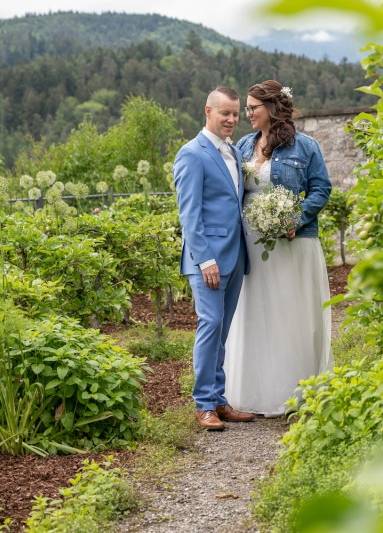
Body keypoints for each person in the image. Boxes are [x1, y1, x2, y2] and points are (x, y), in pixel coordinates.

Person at [224, 80, 334, 417]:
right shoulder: (243, 145)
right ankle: (255, 392)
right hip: (252, 243)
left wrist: (294, 219)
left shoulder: (305, 146)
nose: (247, 114)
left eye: (253, 108)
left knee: (290, 313)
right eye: (246, 108)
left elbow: (321, 188)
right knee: (257, 310)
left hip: (290, 242)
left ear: (271, 108)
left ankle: (294, 393)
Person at [173, 86, 255, 431]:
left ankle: (219, 401)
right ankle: (203, 404)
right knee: (209, 326)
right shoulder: (192, 154)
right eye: (225, 113)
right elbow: (189, 214)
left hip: (235, 255)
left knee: (222, 330)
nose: (232, 120)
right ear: (207, 111)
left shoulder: (233, 152)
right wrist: (204, 259)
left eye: (236, 114)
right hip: (207, 261)